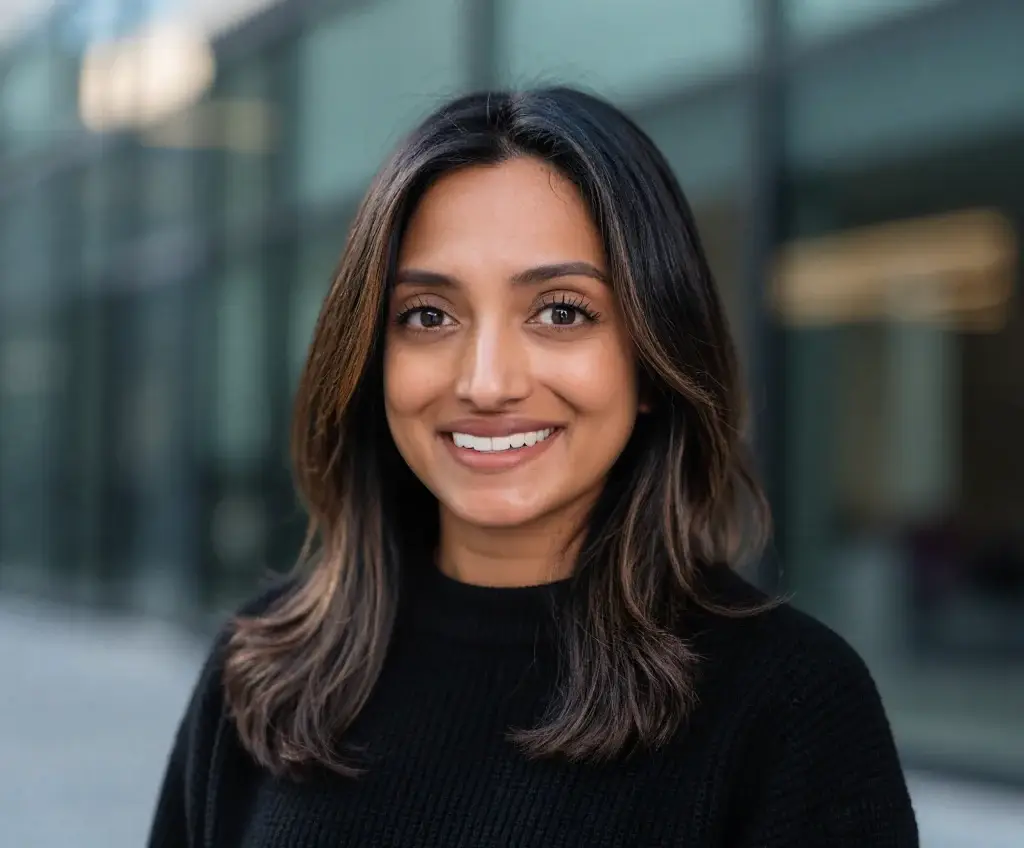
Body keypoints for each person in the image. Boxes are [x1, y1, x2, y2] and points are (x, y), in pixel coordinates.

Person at [148, 87, 918, 847]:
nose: (487, 383)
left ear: (652, 361)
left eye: (561, 311)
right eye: (428, 316)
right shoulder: (260, 670)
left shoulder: (791, 704)